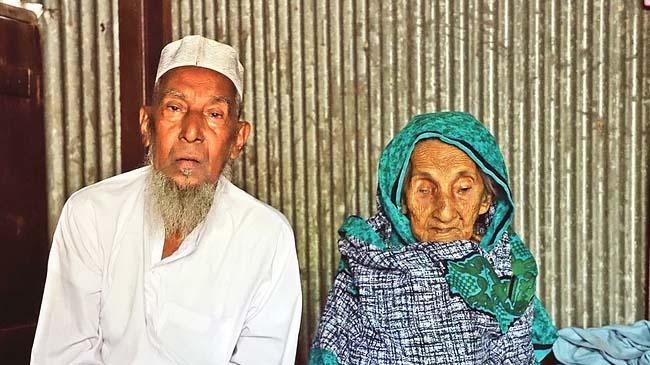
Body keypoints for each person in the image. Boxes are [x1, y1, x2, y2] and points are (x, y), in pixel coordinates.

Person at [31, 35, 302, 364]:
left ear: (238, 139)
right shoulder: (90, 214)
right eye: (175, 108)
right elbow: (63, 352)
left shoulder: (267, 236)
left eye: (214, 114)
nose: (191, 131)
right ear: (148, 124)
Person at [309, 111, 557, 365]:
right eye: (424, 190)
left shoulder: (510, 266)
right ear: (401, 199)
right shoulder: (368, 260)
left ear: (486, 199)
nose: (445, 212)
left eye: (462, 189)